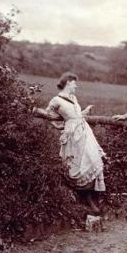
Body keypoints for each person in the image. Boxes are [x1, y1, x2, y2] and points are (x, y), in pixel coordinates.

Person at [44, 72, 106, 213]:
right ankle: (82, 197)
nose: (76, 86)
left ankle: (92, 198)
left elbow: (77, 116)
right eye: (74, 83)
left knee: (93, 159)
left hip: (85, 132)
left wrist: (86, 111)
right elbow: (48, 114)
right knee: (76, 165)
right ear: (67, 83)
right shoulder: (56, 100)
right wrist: (59, 125)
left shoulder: (74, 98)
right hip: (72, 135)